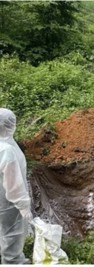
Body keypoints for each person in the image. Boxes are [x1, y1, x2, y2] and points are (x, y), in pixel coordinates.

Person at [0, 108, 32, 264]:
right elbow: (14, 186)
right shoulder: (6, 150)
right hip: (8, 204)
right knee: (11, 237)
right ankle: (13, 262)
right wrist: (24, 206)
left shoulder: (6, 145)